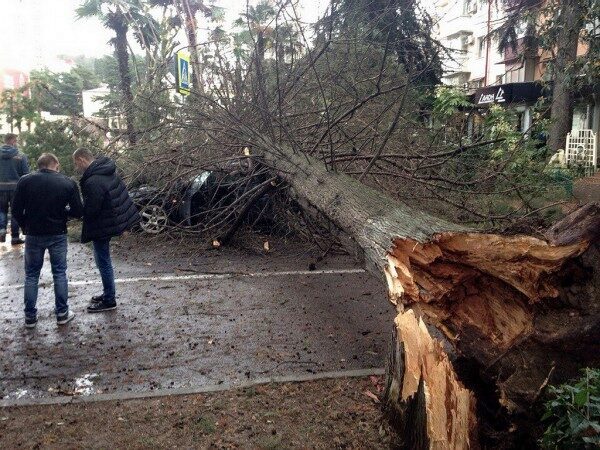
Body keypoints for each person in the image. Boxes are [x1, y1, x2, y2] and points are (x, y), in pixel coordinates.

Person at [12, 153, 83, 328]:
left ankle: (30, 317)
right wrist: (62, 213)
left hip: (34, 233)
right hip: (57, 232)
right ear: (56, 164)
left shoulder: (25, 181)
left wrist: (24, 225)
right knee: (59, 273)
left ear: (39, 165)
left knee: (31, 275)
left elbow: (15, 210)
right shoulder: (67, 182)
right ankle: (62, 313)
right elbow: (78, 211)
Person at [72, 148, 139, 313]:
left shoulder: (93, 180)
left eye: (76, 163)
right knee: (103, 260)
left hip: (103, 224)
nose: (76, 168)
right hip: (111, 221)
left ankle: (109, 300)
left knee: (103, 261)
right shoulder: (106, 171)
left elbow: (92, 209)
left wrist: (76, 211)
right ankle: (107, 293)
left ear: (81, 160)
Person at [0, 133, 29, 244]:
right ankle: (15, 237)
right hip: (16, 188)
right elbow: (25, 174)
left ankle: (1, 231)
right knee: (15, 211)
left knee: (1, 210)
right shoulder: (21, 155)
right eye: (16, 140)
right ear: (12, 141)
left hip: (0, 187)